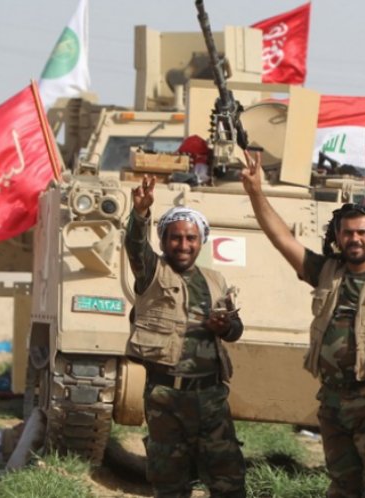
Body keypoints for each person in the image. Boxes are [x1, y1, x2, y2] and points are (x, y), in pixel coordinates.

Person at [240, 150, 365, 498]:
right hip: (334, 400)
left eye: (362, 233)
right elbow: (282, 239)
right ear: (338, 238)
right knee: (342, 486)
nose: (355, 239)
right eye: (347, 233)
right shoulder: (325, 272)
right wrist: (256, 192)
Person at [125, 176, 246, 498]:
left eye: (191, 238)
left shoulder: (215, 280)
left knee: (229, 480)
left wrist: (225, 328)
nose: (183, 245)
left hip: (211, 397)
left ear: (200, 242)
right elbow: (135, 246)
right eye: (175, 238)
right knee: (170, 484)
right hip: (166, 397)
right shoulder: (152, 272)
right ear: (164, 242)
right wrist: (140, 214)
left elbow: (236, 329)